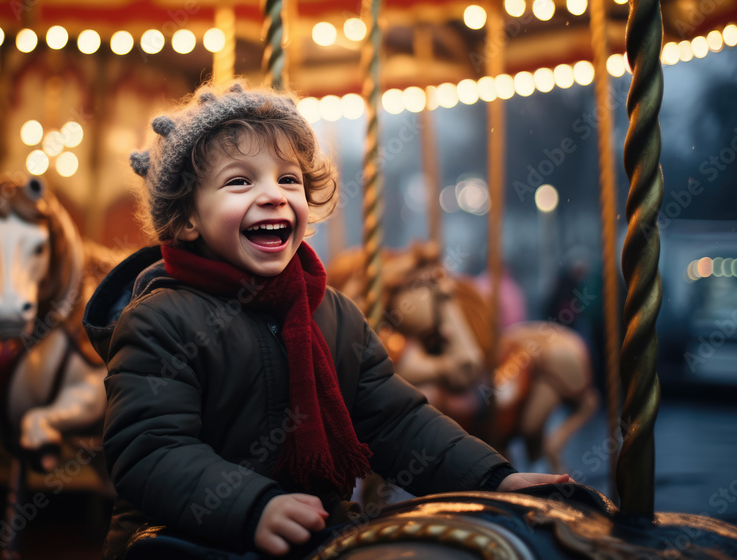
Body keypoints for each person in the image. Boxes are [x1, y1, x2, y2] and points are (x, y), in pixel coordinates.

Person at [82, 81, 569, 560]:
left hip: (311, 526)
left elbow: (396, 420)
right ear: (186, 219)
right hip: (183, 538)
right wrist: (253, 507)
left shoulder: (332, 313)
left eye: (288, 178)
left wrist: (492, 479)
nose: (273, 195)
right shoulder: (160, 320)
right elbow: (150, 451)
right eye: (239, 181)